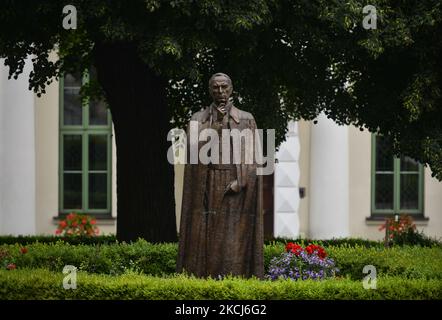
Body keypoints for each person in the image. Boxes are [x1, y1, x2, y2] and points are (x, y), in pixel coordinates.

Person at [176, 73, 264, 279]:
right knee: (206, 236)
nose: (221, 92)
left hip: (235, 185)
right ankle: (205, 280)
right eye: (216, 88)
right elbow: (192, 154)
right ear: (210, 90)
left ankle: (233, 279)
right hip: (207, 182)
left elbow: (254, 158)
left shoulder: (246, 119)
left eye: (224, 87)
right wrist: (215, 125)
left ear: (231, 89)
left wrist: (241, 180)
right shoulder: (198, 119)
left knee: (232, 237)